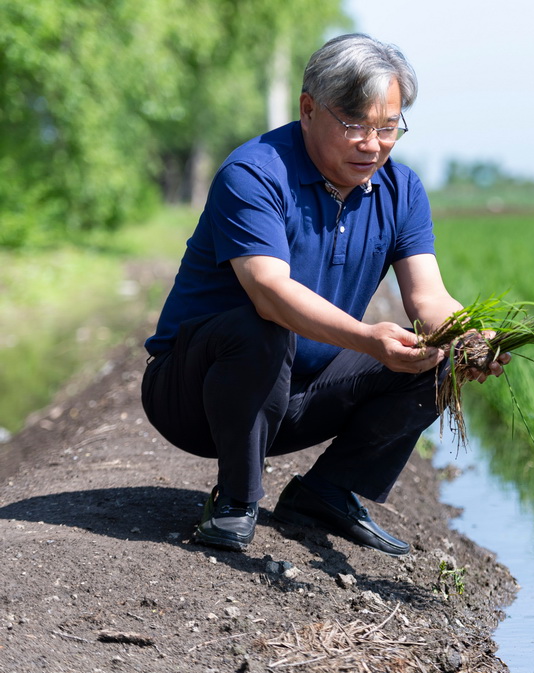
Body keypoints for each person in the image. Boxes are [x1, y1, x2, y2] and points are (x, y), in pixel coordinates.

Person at [141, 33, 508, 556]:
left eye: (388, 128)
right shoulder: (255, 174)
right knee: (260, 325)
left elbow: (428, 299)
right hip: (196, 394)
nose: (372, 144)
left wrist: (470, 336)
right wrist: (364, 338)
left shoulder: (401, 190)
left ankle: (326, 491)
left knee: (434, 354)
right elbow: (268, 292)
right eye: (356, 125)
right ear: (308, 109)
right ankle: (236, 501)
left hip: (297, 395)